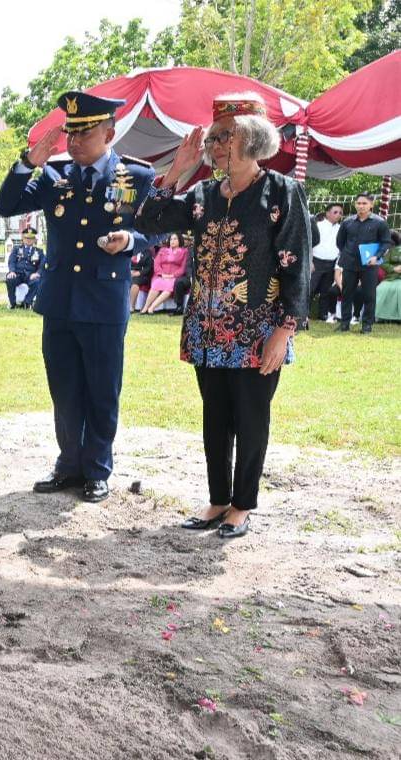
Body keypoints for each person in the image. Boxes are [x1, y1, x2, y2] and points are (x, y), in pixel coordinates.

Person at [136, 92, 310, 539]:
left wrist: (285, 330)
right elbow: (149, 221)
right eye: (212, 139)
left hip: (257, 332)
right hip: (207, 330)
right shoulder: (203, 195)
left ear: (252, 138)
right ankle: (217, 500)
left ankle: (241, 505)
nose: (213, 147)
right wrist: (176, 171)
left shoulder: (282, 192)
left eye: (223, 137)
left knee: (251, 419)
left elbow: (296, 264)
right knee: (214, 419)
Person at [0, 90, 156, 503]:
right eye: (71, 133)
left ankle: (97, 469)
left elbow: (155, 230)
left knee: (102, 390)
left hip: (104, 303)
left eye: (85, 133)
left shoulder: (135, 177)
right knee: (64, 390)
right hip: (61, 301)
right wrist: (29, 163)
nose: (75, 141)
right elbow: (6, 205)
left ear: (109, 134)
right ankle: (68, 464)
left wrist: (129, 241)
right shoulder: (54, 176)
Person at [334, 192, 391, 334]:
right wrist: (348, 253)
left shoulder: (380, 222)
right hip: (350, 263)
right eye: (358, 203)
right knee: (346, 294)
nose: (361, 206)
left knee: (369, 295)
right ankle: (344, 324)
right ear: (355, 204)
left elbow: (386, 242)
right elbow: (340, 242)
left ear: (371, 204)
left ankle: (367, 325)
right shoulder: (347, 222)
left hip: (369, 265)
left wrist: (376, 257)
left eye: (364, 203)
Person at [310, 203, 342, 323]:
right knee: (311, 288)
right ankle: (304, 314)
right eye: (335, 212)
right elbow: (309, 244)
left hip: (332, 262)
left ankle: (323, 314)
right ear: (327, 213)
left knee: (326, 290)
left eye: (340, 213)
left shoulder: (340, 228)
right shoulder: (318, 226)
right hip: (316, 261)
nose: (338, 215)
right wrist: (310, 261)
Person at [141, 233, 188, 314]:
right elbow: (157, 263)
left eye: (175, 239)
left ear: (179, 240)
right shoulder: (163, 250)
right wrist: (162, 274)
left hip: (174, 276)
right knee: (156, 284)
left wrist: (172, 275)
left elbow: (182, 268)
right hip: (160, 275)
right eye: (171, 239)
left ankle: (151, 308)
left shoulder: (184, 251)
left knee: (169, 287)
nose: (172, 241)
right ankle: (145, 308)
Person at [375, 230, 401, 322]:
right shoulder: (387, 251)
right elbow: (383, 263)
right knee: (380, 289)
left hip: (398, 278)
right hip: (389, 278)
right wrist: (393, 268)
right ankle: (380, 316)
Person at [129, 244, 155, 312]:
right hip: (129, 273)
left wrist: (139, 273)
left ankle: (132, 306)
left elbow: (148, 267)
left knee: (135, 283)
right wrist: (129, 271)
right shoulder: (130, 251)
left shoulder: (147, 252)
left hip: (142, 275)